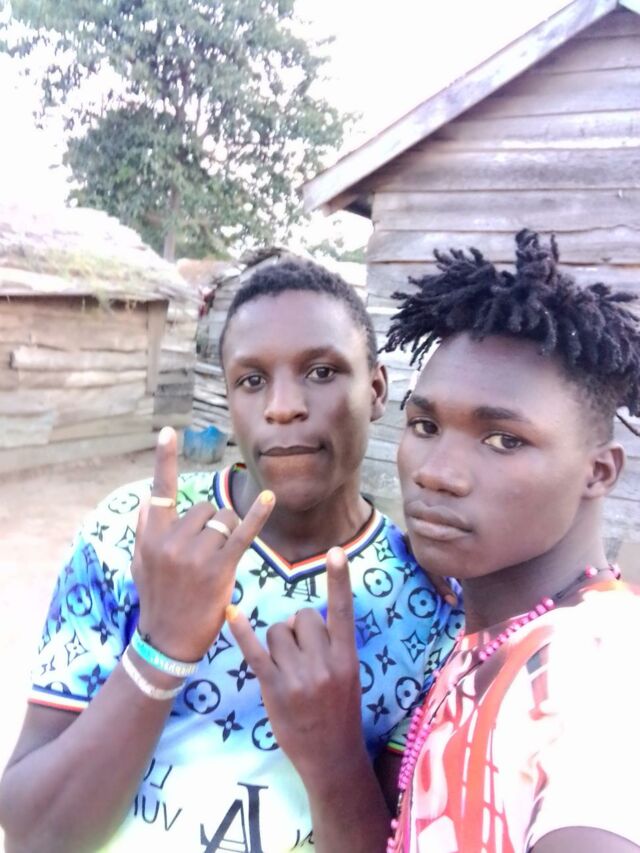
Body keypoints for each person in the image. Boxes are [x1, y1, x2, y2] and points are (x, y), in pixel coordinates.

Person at [0, 259, 460, 853]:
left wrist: (336, 757)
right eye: (251, 380)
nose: (283, 406)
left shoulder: (431, 603)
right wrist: (161, 647)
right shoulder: (132, 531)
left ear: (375, 390)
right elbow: (34, 834)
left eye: (321, 371)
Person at [229, 232, 640, 852]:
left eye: (503, 440)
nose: (436, 473)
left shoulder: (598, 673)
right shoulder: (475, 632)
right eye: (424, 425)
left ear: (599, 472)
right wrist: (333, 754)